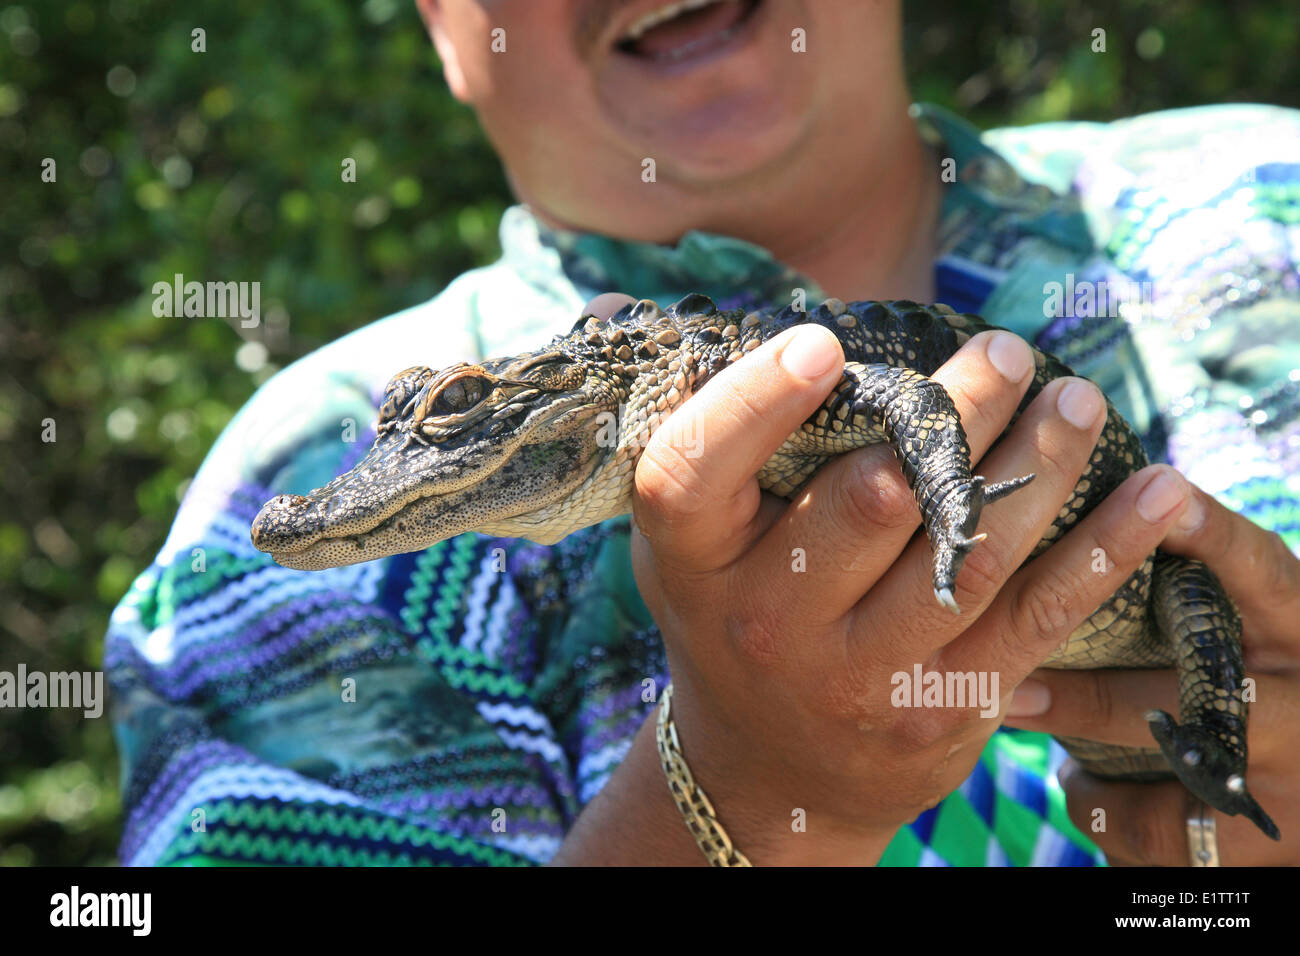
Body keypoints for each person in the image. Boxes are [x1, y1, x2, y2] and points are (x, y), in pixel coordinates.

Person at [106, 1, 1300, 866]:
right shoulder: (283, 487)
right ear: (437, 22)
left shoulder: (1273, 198)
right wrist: (742, 794)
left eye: (453, 417)